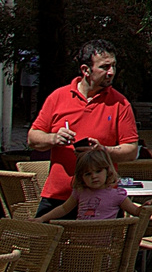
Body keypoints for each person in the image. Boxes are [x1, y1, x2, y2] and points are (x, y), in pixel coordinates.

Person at [29, 40, 140, 217]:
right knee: (41, 243)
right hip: (59, 195)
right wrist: (54, 138)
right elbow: (33, 138)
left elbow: (131, 151)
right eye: (104, 67)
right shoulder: (58, 97)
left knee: (100, 245)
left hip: (101, 199)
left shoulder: (120, 103)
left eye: (113, 66)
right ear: (85, 70)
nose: (111, 72)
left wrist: (102, 150)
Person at [36, 146, 145, 221]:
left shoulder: (117, 195)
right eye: (88, 174)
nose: (94, 176)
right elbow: (64, 208)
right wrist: (42, 218)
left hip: (106, 244)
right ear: (81, 177)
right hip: (81, 242)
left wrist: (151, 206)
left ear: (108, 171)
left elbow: (136, 211)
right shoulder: (80, 192)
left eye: (98, 171)